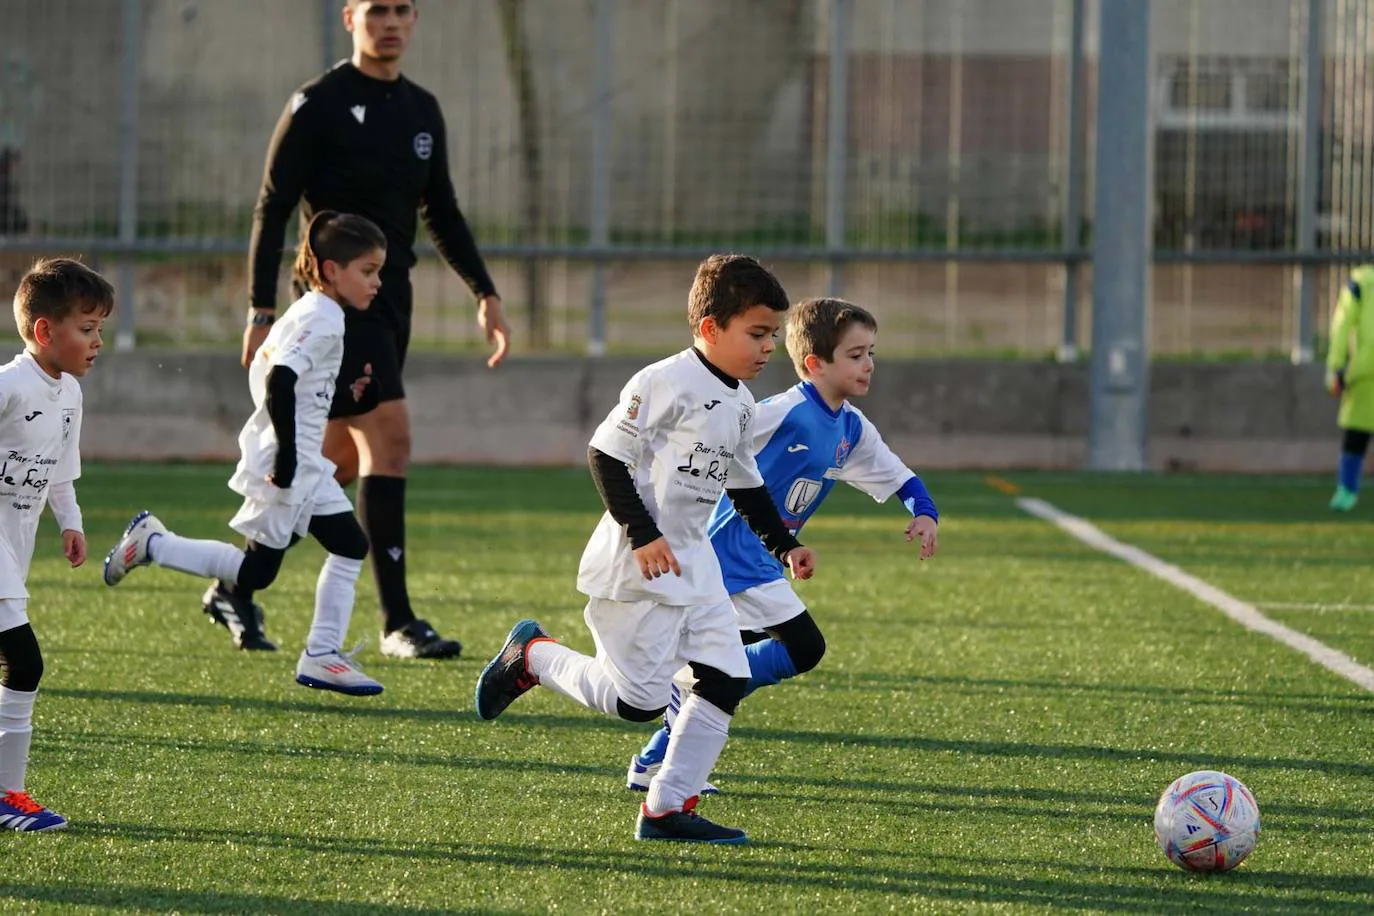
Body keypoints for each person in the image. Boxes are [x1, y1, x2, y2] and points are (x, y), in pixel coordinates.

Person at [474, 254, 816, 845]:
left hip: (694, 564)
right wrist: (643, 534)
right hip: (638, 561)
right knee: (636, 702)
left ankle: (665, 808)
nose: (768, 348)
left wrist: (783, 544)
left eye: (774, 335)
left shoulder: (738, 403)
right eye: (757, 334)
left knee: (725, 679)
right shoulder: (664, 381)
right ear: (710, 329)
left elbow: (745, 483)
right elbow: (605, 455)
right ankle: (533, 655)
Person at [210, 0, 511, 657]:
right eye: (378, 9)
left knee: (339, 459)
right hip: (335, 306)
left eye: (403, 9)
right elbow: (273, 204)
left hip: (389, 298)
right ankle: (398, 621)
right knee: (391, 437)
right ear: (351, 17)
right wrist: (262, 309)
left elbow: (443, 209)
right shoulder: (316, 102)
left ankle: (237, 580)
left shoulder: (422, 108)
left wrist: (484, 292)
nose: (391, 21)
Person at [626, 297, 940, 794]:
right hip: (724, 554)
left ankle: (657, 756)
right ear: (816, 364)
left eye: (871, 353)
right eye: (855, 355)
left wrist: (923, 512)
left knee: (761, 657)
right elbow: (717, 443)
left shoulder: (852, 427)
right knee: (775, 653)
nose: (869, 365)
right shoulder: (781, 412)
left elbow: (898, 474)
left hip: (764, 563)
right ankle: (659, 712)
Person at [103, 212, 384, 696]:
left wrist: (344, 400)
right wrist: (288, 460)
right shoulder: (320, 316)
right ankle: (153, 544)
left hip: (303, 459)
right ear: (332, 270)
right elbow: (279, 381)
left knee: (351, 546)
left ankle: (321, 655)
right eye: (368, 271)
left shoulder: (315, 311)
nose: (377, 282)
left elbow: (279, 379)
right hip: (288, 459)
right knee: (257, 571)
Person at [0, 257, 112, 831]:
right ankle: (7, 795)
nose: (97, 342)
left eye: (100, 331)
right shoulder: (9, 385)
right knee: (24, 661)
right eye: (86, 329)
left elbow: (60, 471)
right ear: (45, 332)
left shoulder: (68, 394)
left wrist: (71, 522)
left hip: (13, 550)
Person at [1325, 264, 1374, 511]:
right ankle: (1346, 490)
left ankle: (1346, 491)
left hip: (1363, 371)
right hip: (1364, 374)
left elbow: (1341, 324)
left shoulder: (1361, 282)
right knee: (1356, 432)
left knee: (1356, 434)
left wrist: (1336, 366)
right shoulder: (1361, 283)